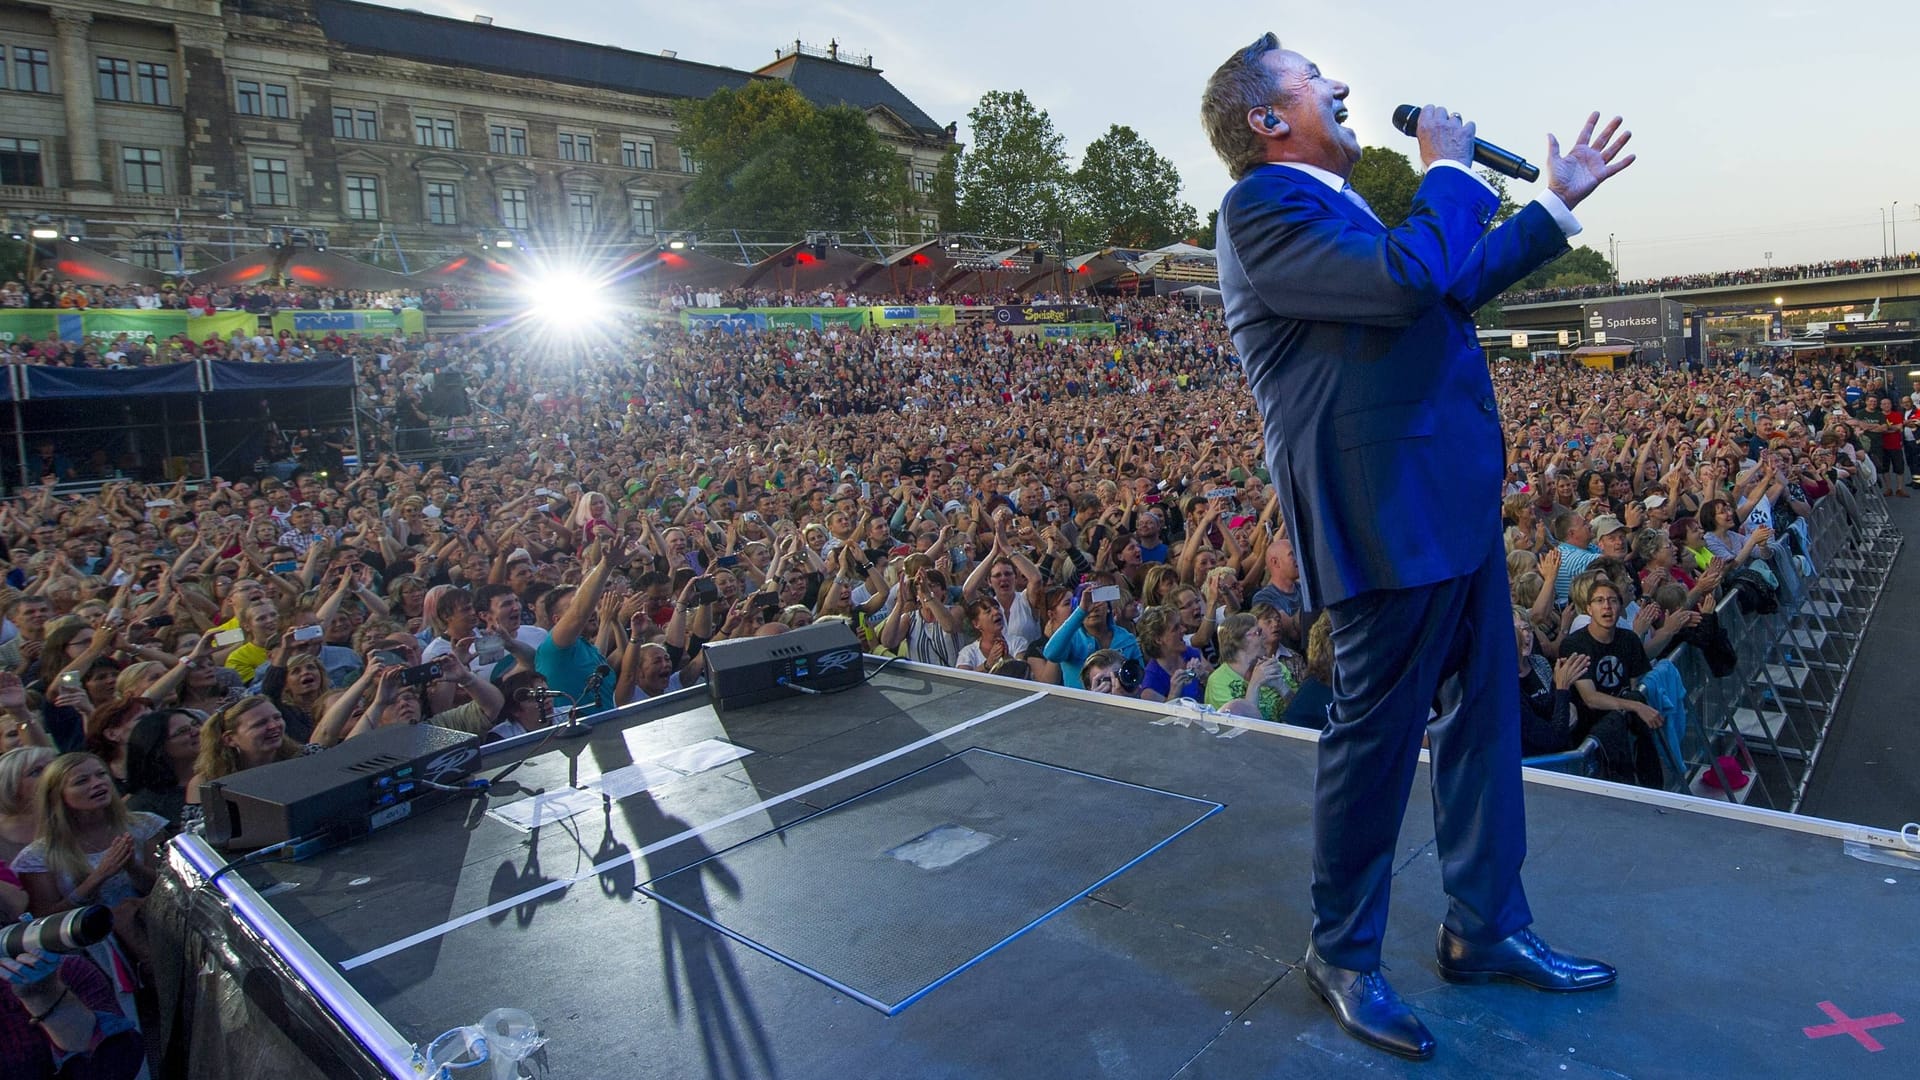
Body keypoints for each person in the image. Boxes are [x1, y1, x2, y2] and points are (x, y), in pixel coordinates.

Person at [1205, 34, 1629, 1059]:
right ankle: (1342, 953)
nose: (1343, 86)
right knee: (1378, 736)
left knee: (1484, 722)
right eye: (1317, 80)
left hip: (1444, 500)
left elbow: (1443, 284)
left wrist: (1553, 205)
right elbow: (1410, 278)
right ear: (1269, 119)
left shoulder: (1335, 209)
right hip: (1382, 511)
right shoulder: (1263, 207)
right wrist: (1445, 165)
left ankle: (1484, 927)